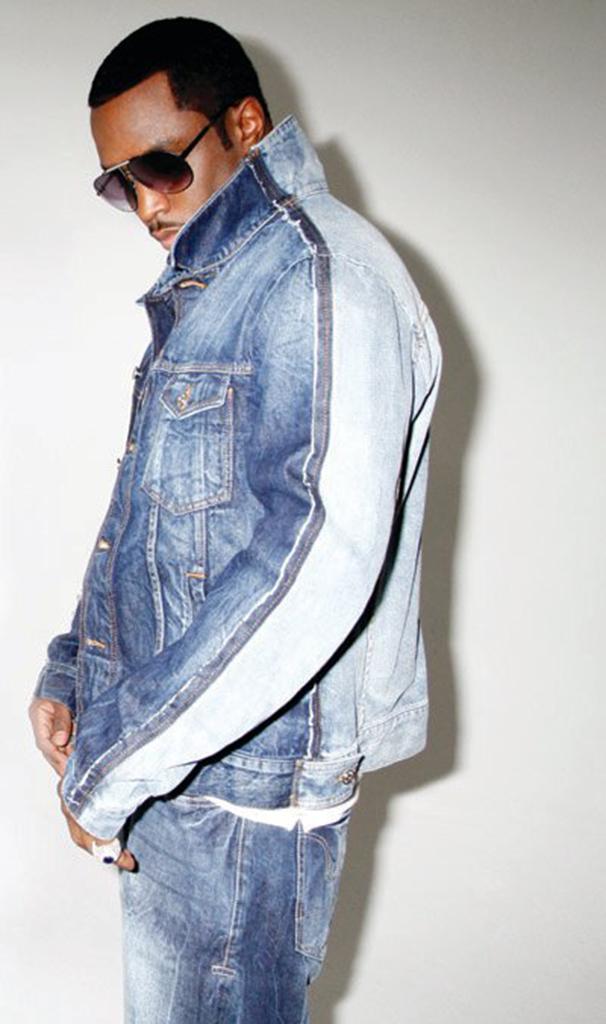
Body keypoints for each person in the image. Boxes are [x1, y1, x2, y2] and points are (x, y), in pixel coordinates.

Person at [28, 16, 442, 1023]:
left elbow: (316, 561)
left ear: (246, 124)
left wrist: (113, 769)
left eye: (160, 166)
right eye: (118, 183)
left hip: (243, 814)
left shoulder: (318, 278)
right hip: (183, 784)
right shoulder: (218, 288)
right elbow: (152, 514)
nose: (143, 204)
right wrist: (75, 669)